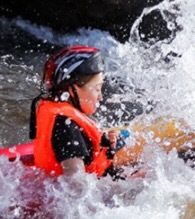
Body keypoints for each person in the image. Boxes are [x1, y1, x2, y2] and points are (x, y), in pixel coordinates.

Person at [29, 45, 127, 178]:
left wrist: (105, 141)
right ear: (72, 89)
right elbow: (76, 185)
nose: (100, 97)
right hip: (101, 187)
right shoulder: (66, 127)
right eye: (97, 89)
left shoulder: (64, 118)